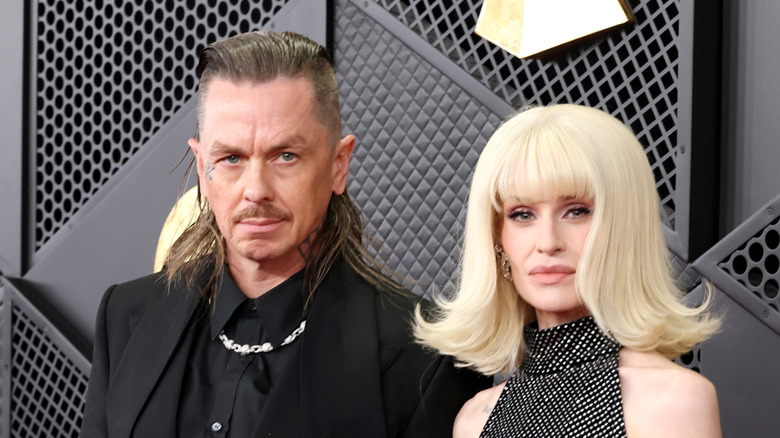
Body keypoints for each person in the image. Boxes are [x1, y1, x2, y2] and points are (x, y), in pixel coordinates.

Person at [79, 31, 490, 438]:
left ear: (338, 165)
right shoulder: (126, 317)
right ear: (203, 167)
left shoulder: (428, 358)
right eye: (231, 158)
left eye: (286, 156)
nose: (256, 189)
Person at [414, 104, 722, 437]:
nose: (548, 242)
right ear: (497, 238)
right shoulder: (474, 419)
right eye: (522, 215)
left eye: (576, 211)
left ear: (624, 226)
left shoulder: (673, 402)